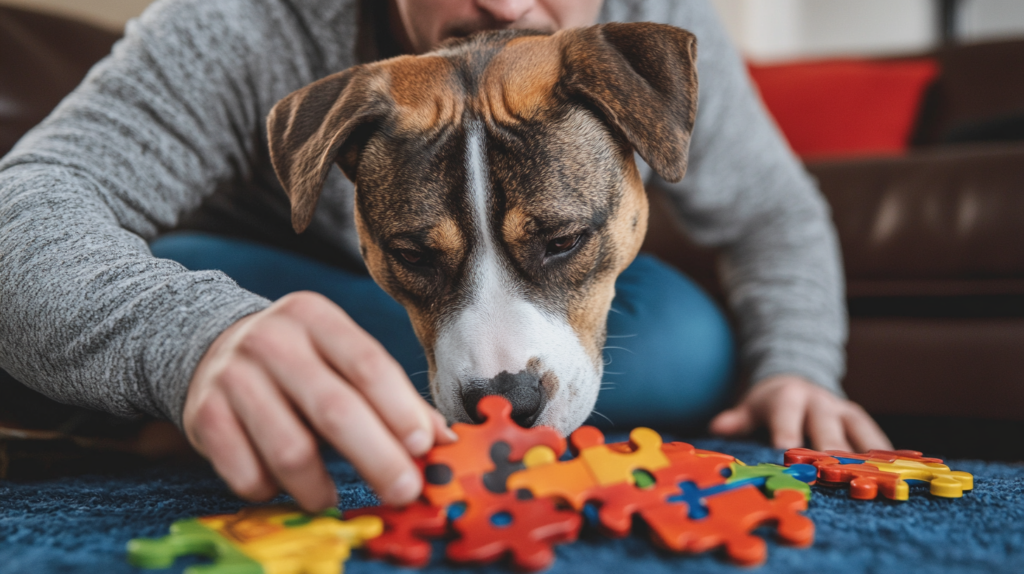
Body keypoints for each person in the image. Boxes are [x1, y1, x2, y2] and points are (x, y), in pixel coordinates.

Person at [0, 0, 892, 513]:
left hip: (351, 312)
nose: (505, 2)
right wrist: (193, 335)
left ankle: (284, 405)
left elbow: (774, 211)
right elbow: (22, 207)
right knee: (177, 260)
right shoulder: (244, 21)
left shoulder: (647, 20)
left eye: (561, 239)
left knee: (689, 344)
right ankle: (256, 379)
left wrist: (800, 370)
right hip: (257, 288)